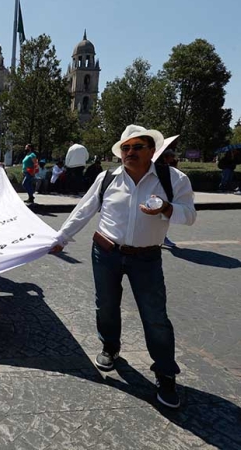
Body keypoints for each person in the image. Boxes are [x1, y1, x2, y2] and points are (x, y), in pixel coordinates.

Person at [50, 124, 196, 409]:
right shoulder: (108, 178)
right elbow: (84, 209)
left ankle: (165, 373)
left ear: (152, 150)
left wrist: (166, 208)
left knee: (155, 316)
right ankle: (110, 347)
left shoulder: (173, 179)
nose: (130, 153)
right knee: (105, 304)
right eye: (125, 148)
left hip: (147, 257)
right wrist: (61, 239)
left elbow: (189, 216)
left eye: (137, 147)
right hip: (106, 252)